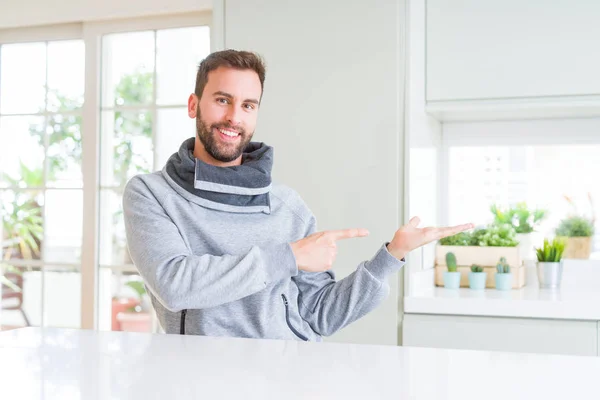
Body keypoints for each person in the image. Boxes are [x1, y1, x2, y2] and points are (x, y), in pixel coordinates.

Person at [122, 49, 473, 341]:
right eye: (222, 100)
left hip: (289, 374)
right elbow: (174, 284)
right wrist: (288, 256)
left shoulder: (287, 206)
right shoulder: (152, 194)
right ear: (193, 105)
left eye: (248, 105)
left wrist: (391, 256)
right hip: (201, 379)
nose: (233, 117)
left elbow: (319, 314)